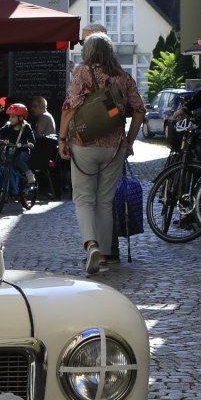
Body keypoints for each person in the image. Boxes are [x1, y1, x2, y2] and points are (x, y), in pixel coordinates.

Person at [58, 31, 144, 276]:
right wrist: (129, 141)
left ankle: (91, 245)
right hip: (114, 148)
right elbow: (139, 110)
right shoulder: (123, 77)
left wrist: (62, 139)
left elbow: (69, 108)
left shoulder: (82, 73)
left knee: (84, 199)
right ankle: (105, 254)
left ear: (88, 52)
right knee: (105, 201)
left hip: (84, 144)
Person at [0, 102, 38, 193]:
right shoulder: (8, 126)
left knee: (20, 160)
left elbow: (32, 140)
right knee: (3, 163)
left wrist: (30, 144)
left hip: (22, 150)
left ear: (21, 118)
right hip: (11, 150)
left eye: (13, 117)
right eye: (10, 116)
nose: (10, 119)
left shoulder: (26, 127)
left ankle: (29, 175)